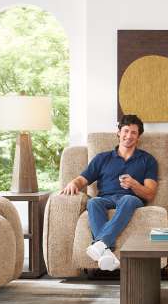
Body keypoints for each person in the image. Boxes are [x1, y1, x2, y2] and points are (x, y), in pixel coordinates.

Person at [60, 114, 158, 271]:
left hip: (131, 199)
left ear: (138, 136)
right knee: (93, 202)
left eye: (133, 132)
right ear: (118, 133)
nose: (129, 136)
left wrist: (134, 185)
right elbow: (82, 179)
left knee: (127, 199)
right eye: (126, 131)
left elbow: (150, 194)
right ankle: (105, 252)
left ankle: (100, 243)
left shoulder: (148, 160)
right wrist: (73, 183)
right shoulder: (102, 158)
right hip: (105, 199)